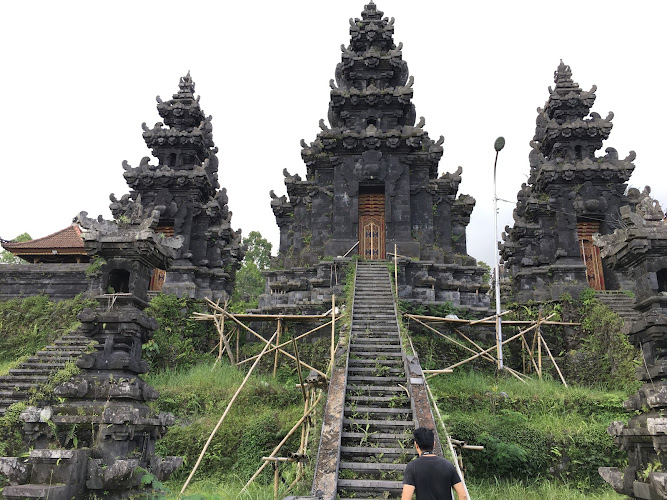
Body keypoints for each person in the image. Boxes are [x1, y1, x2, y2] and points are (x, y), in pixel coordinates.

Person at [401, 427, 467, 500]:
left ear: (416, 445)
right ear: (434, 444)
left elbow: (406, 498)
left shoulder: (412, 467)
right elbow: (463, 495)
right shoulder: (448, 465)